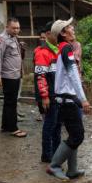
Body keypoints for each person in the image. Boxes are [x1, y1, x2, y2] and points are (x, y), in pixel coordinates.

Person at [46, 18, 90, 181]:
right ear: (63, 33)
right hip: (68, 100)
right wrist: (83, 98)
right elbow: (73, 75)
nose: (73, 28)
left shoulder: (63, 48)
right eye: (69, 26)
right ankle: (54, 165)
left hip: (66, 99)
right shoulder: (67, 49)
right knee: (77, 136)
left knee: (73, 134)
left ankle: (72, 169)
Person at [0, 17, 27, 138]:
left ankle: (6, 125)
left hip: (15, 74)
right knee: (11, 102)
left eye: (18, 28)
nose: (16, 30)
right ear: (7, 27)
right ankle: (13, 128)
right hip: (9, 76)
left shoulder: (13, 38)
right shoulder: (2, 39)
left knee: (9, 101)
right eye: (13, 28)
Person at [33, 21, 61, 163]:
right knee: (50, 125)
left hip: (57, 94)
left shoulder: (57, 50)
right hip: (49, 95)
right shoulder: (42, 52)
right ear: (48, 34)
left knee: (57, 125)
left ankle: (56, 152)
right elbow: (40, 76)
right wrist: (44, 96)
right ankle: (47, 154)